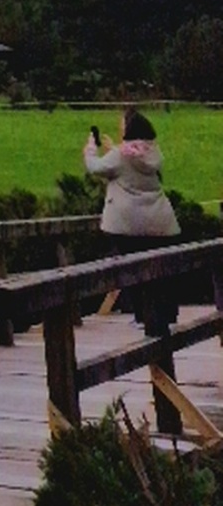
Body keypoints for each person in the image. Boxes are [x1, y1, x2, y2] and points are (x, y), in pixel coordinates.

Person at [85, 108, 180, 342]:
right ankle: (166, 314)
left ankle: (142, 316)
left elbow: (97, 168)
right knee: (161, 272)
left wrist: (90, 150)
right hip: (160, 220)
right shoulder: (152, 151)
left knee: (134, 271)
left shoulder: (120, 155)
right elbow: (132, 167)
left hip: (128, 223)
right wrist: (114, 150)